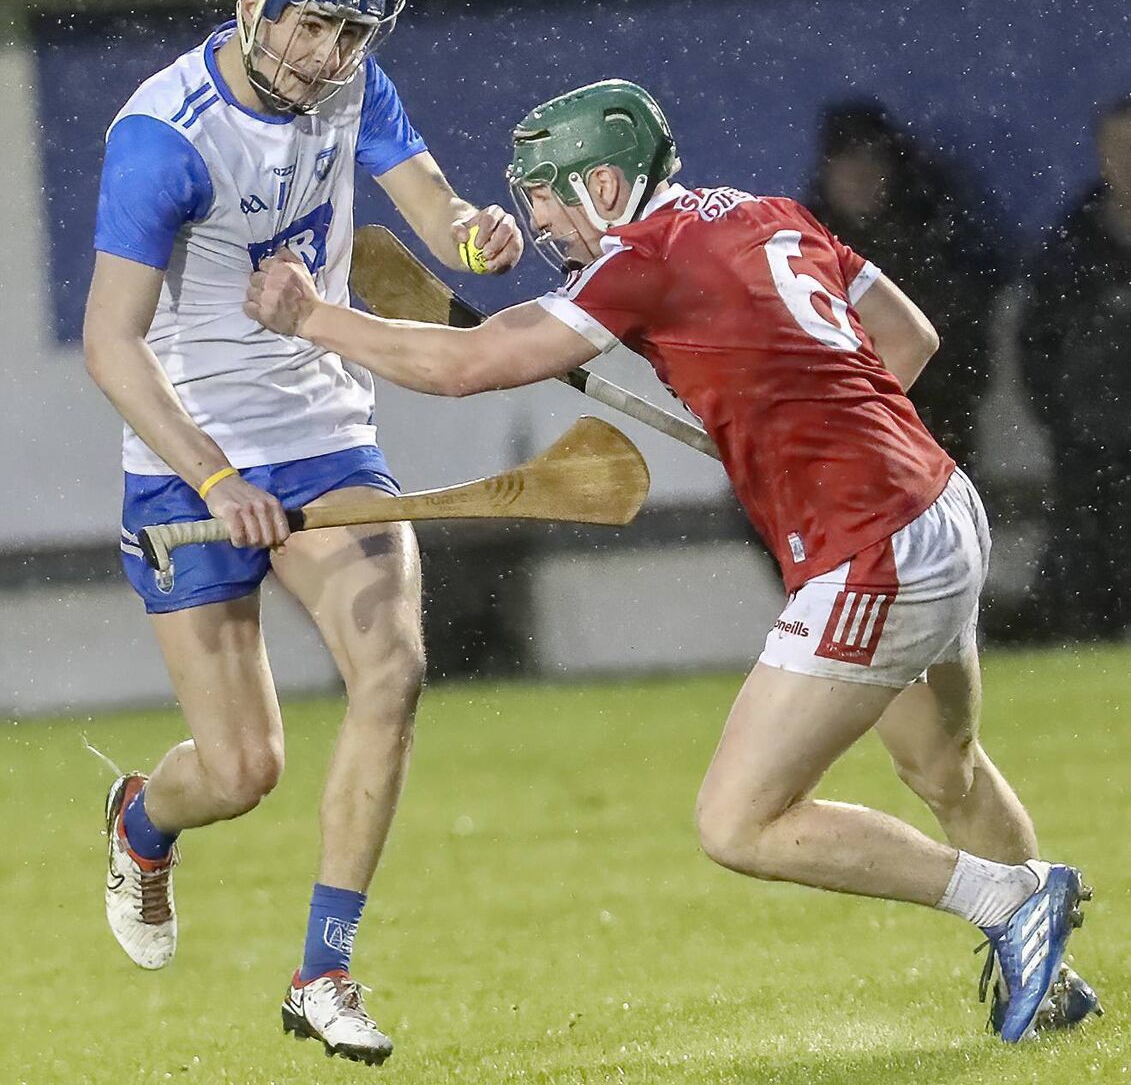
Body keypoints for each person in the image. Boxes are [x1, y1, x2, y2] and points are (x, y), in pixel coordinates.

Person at [244, 78, 1100, 1042]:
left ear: (605, 185)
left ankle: (1011, 904)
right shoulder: (764, 212)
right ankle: (1052, 976)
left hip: (870, 551)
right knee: (946, 768)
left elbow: (463, 366)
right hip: (941, 505)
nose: (543, 223)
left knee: (740, 821)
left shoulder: (638, 260)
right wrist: (794, 422)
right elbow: (908, 337)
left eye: (547, 197)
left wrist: (312, 318)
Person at [83, 0, 521, 1066]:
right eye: (312, 24)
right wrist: (216, 477)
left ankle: (323, 973)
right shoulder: (161, 141)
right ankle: (142, 821)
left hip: (326, 432)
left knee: (394, 670)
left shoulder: (352, 86)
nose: (329, 54)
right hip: (190, 455)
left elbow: (434, 214)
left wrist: (479, 240)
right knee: (241, 772)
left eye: (348, 33)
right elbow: (110, 348)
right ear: (254, 2)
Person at [806, 101, 1004, 475]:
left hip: (928, 434)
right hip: (825, 446)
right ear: (826, 171)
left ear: (892, 169)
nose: (861, 176)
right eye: (847, 162)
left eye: (872, 160)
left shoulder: (937, 242)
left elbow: (951, 351)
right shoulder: (800, 245)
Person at [1019, 95, 1131, 641]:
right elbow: (1035, 344)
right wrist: (1064, 418)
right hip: (1089, 442)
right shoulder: (1071, 244)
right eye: (1116, 148)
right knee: (1090, 562)